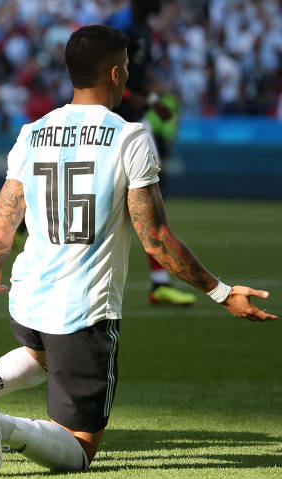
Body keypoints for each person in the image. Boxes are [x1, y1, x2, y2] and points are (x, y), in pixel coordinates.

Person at [0, 25, 277, 478]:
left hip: (28, 299)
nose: (128, 75)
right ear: (114, 73)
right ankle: (1, 424)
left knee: (42, 353)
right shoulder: (130, 137)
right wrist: (221, 292)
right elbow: (156, 239)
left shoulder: (32, 133)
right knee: (78, 450)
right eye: (127, 67)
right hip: (83, 310)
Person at [105, 0, 195, 306]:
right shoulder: (122, 25)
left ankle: (159, 283)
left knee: (148, 198)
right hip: (111, 118)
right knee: (112, 196)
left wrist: (153, 98)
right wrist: (136, 99)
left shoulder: (143, 28)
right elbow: (104, 74)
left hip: (133, 119)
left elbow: (138, 74)